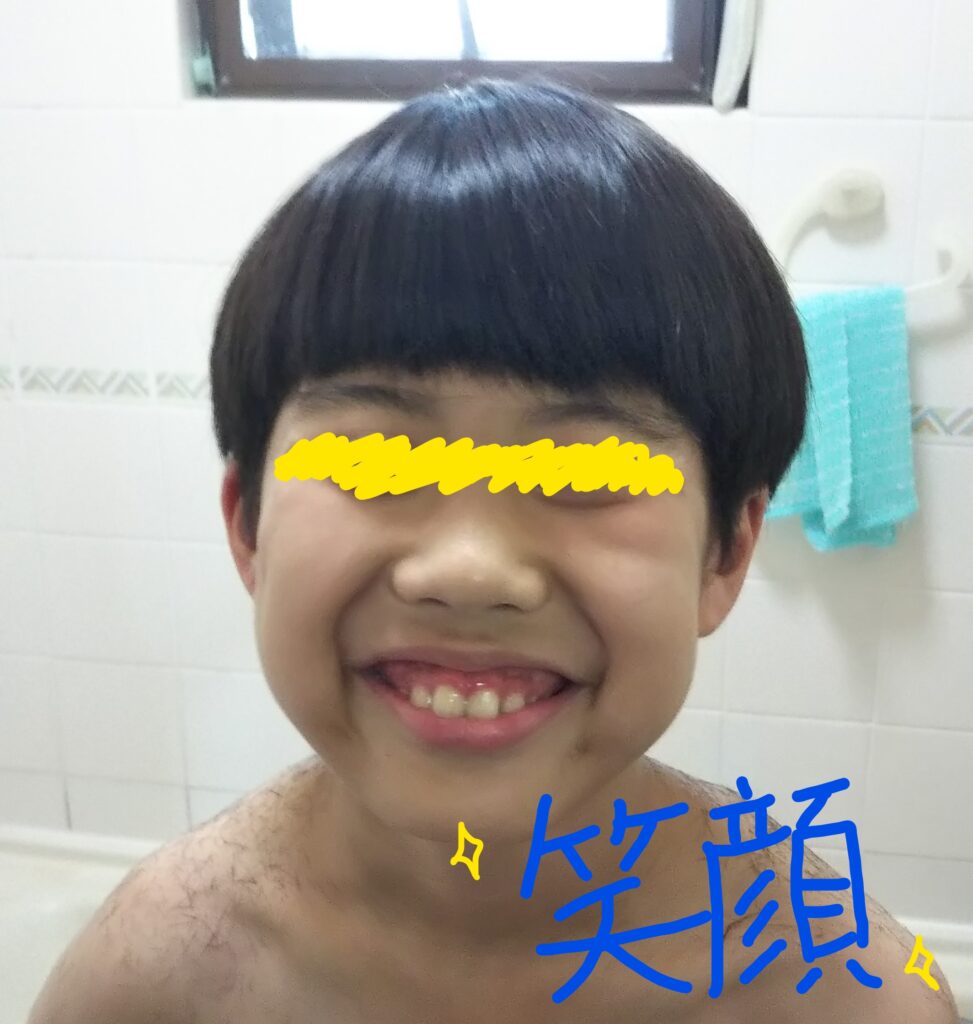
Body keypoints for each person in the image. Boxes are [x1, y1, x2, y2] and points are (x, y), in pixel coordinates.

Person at [28, 75, 959, 1023]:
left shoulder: (848, 993)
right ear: (246, 526)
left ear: (724, 553)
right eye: (372, 461)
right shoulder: (153, 975)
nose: (469, 568)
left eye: (586, 470)